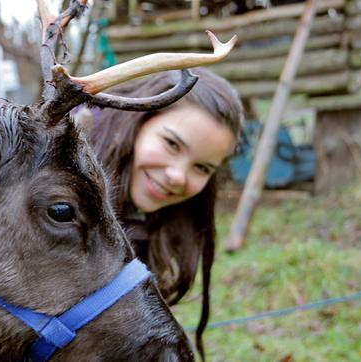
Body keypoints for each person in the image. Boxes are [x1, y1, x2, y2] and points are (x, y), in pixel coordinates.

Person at [76, 67, 243, 353]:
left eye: (202, 167)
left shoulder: (157, 214)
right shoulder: (61, 163)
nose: (178, 176)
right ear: (139, 119)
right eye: (172, 144)